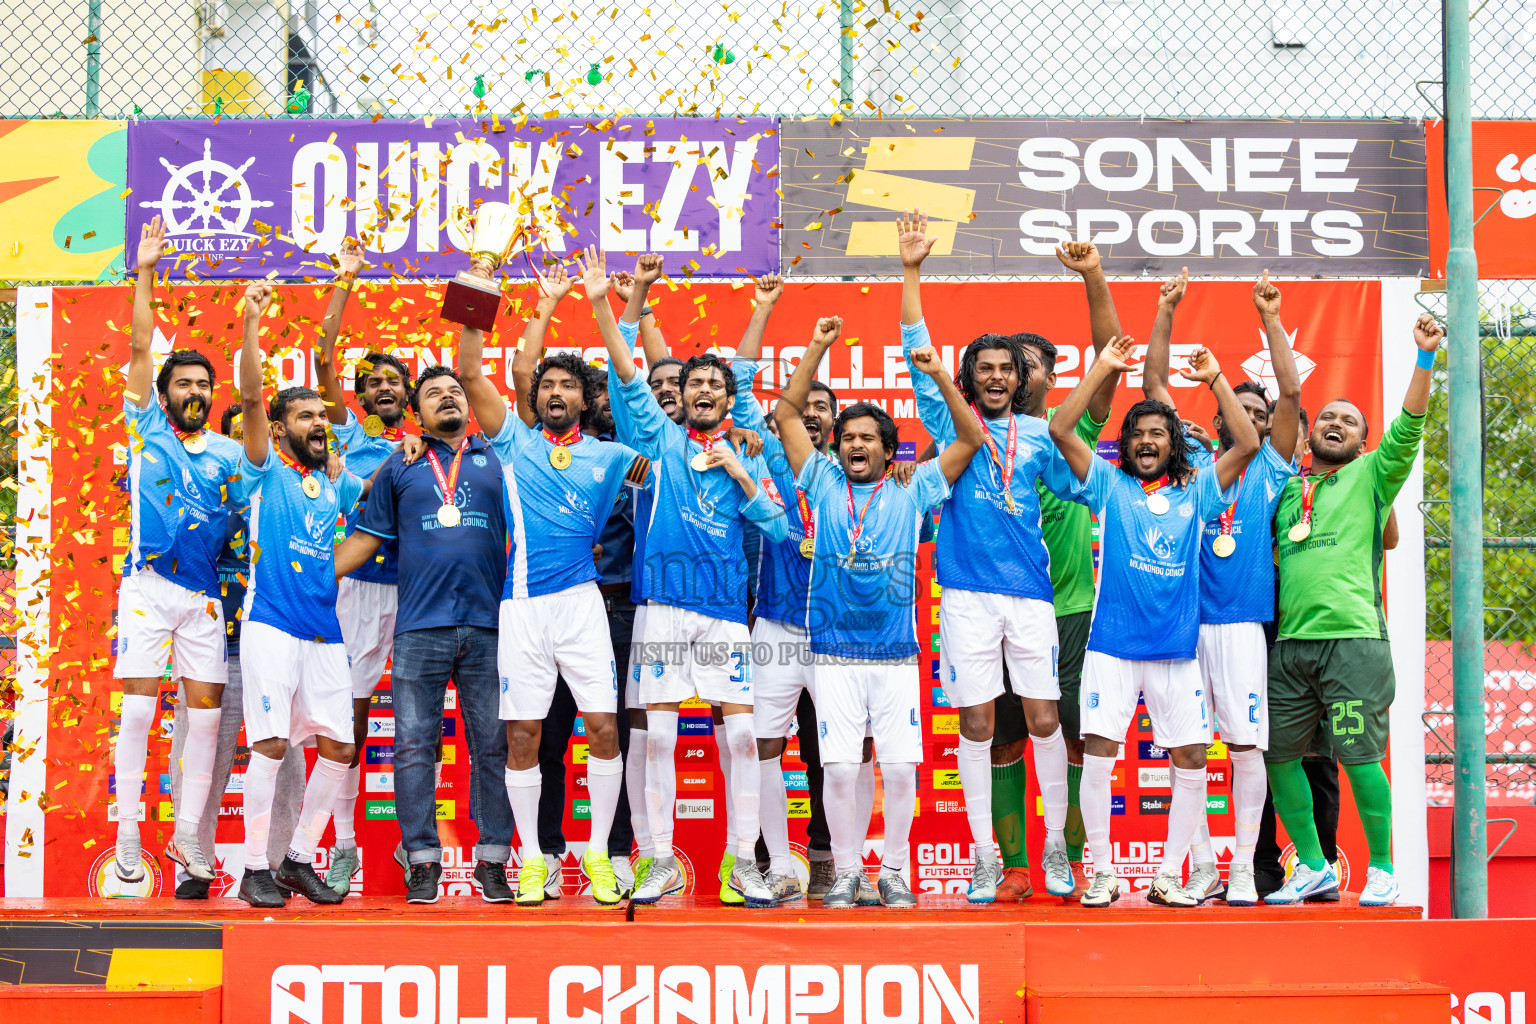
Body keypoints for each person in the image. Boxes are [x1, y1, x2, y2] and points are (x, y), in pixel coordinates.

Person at [897, 210, 1117, 903]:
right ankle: (987, 856)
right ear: (969, 377)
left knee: (1047, 720)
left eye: (1006, 370)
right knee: (979, 723)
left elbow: (1075, 471)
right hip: (964, 593)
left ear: (1020, 379)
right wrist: (911, 272)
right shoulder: (947, 423)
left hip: (1033, 596)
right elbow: (914, 347)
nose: (995, 378)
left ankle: (1055, 849)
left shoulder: (1040, 435)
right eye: (984, 369)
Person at [592, 248, 789, 907]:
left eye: (717, 384)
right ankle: (659, 861)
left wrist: (739, 472)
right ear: (681, 396)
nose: (704, 390)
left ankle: (740, 864)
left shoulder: (746, 451)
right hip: (663, 609)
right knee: (661, 737)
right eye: (695, 382)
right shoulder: (657, 439)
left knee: (740, 734)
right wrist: (625, 299)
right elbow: (625, 373)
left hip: (726, 613)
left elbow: (781, 528)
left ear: (730, 397)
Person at [455, 260, 650, 907]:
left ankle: (597, 853)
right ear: (536, 398)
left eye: (569, 385)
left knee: (604, 729)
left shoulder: (614, 455)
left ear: (587, 399)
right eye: (547, 385)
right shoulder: (513, 442)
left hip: (584, 605)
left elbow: (667, 445)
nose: (557, 392)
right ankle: (533, 859)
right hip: (523, 609)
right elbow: (472, 372)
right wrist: (497, 290)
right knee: (524, 737)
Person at [775, 316, 984, 908]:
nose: (858, 445)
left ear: (889, 449)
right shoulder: (817, 477)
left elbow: (969, 440)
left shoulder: (912, 488)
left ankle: (892, 870)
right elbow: (789, 415)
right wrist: (816, 345)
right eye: (849, 437)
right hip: (834, 655)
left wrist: (943, 376)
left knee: (896, 770)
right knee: (839, 771)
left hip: (895, 655)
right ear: (836, 446)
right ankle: (846, 872)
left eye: (869, 438)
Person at [1049, 333, 1260, 908]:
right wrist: (1101, 368)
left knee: (1191, 757)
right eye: (1138, 434)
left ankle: (1170, 874)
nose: (1146, 441)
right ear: (1126, 444)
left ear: (1174, 446)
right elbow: (1062, 430)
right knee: (1097, 751)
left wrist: (1216, 377)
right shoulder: (1109, 485)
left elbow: (1245, 441)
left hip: (1175, 650)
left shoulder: (1199, 491)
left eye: (1157, 434)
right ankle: (1103, 871)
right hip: (1112, 647)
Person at [1262, 313, 1444, 908]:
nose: (1337, 423)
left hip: (1353, 641)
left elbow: (1410, 426)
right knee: (1281, 756)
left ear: (1363, 442)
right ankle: (1312, 866)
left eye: (1351, 421)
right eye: (1330, 417)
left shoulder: (1371, 474)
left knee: (1361, 754)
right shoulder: (1287, 489)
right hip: (1290, 647)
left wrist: (1423, 358)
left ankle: (1384, 870)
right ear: (1311, 434)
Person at [1141, 270, 1303, 906]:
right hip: (1181, 624)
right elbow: (1155, 385)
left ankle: (1241, 868)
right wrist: (1164, 308)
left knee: (1243, 745)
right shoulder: (1191, 459)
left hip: (1239, 622)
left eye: (1261, 415)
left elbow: (1290, 390)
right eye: (1245, 412)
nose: (1257, 420)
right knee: (1186, 747)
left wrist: (1270, 316)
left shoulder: (1270, 466)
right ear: (1219, 419)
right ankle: (1203, 865)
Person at [332, 366, 516, 904]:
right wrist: (304, 580)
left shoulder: (499, 459)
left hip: (488, 626)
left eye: (455, 392)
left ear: (471, 403)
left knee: (492, 748)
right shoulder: (400, 464)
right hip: (419, 627)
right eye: (433, 393)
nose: (447, 399)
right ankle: (422, 862)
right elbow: (366, 540)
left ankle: (493, 861)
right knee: (412, 747)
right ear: (418, 411)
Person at [729, 273, 876, 904]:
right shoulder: (758, 458)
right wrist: (769, 312)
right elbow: (739, 384)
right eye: (802, 406)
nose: (811, 414)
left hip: (841, 632)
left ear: (838, 427)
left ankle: (847, 864)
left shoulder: (855, 476)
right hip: (777, 627)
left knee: (846, 751)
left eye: (825, 409)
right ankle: (781, 862)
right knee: (761, 743)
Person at [113, 215, 244, 887]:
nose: (195, 393)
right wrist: (145, 270)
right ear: (164, 395)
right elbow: (140, 348)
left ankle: (190, 835)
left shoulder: (229, 452)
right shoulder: (143, 430)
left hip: (204, 599)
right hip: (146, 586)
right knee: (138, 708)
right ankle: (130, 828)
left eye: (203, 386)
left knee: (207, 719)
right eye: (183, 384)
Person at [231, 282, 364, 908]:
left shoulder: (337, 483)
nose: (317, 423)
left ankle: (296, 859)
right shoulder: (263, 470)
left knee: (340, 746)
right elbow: (252, 395)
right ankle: (252, 866)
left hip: (325, 630)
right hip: (271, 624)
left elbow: (372, 525)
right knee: (273, 744)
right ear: (281, 428)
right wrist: (254, 320)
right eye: (303, 415)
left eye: (322, 416)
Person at [166, 405, 306, 899]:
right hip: (214, 644)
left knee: (286, 759)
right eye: (232, 444)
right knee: (199, 754)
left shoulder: (287, 491)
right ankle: (192, 862)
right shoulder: (199, 499)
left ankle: (270, 867)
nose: (240, 456)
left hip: (273, 642)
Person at [311, 238, 415, 896]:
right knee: (347, 718)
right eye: (372, 381)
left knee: (415, 721)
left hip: (417, 594)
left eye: (392, 380)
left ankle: (416, 844)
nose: (383, 387)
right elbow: (322, 356)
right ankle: (343, 843)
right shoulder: (345, 436)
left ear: (407, 391)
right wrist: (344, 282)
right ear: (356, 395)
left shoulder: (435, 437)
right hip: (353, 592)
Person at [533, 364, 639, 900]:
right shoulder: (549, 454)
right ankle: (547, 853)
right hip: (550, 605)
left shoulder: (629, 455)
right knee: (545, 737)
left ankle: (616, 852)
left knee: (609, 733)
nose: (602, 401)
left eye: (607, 392)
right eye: (596, 392)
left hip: (617, 607)